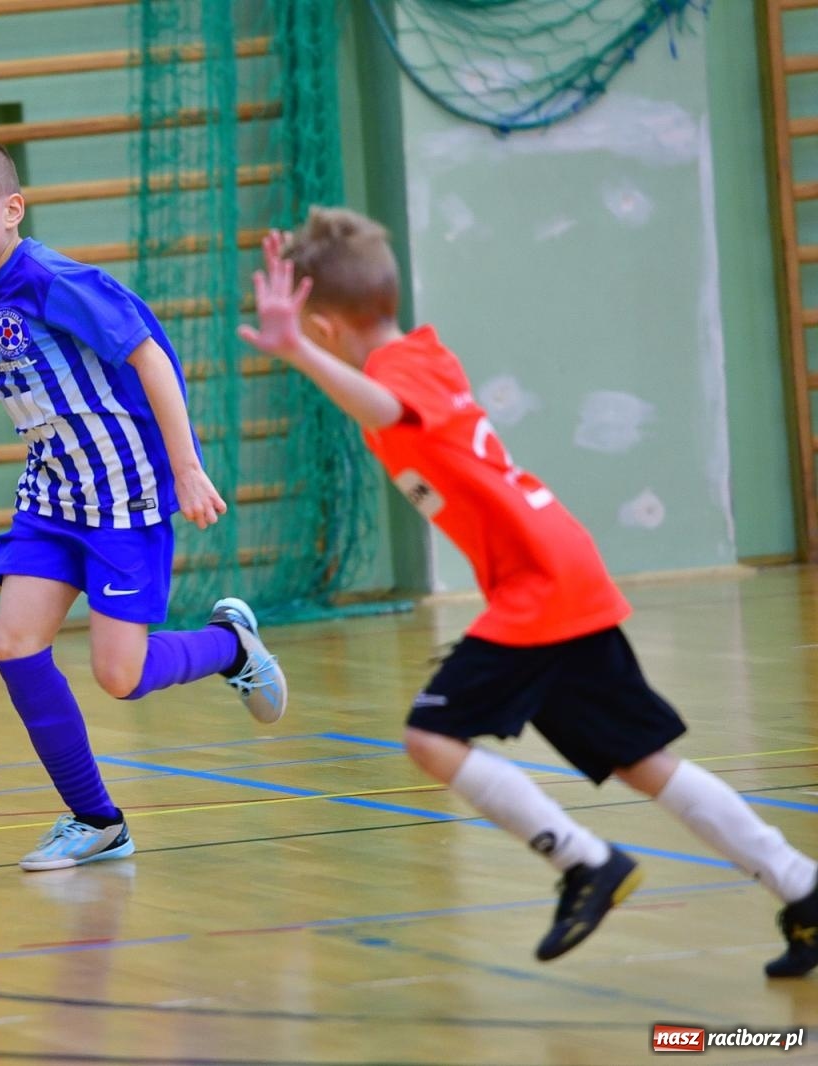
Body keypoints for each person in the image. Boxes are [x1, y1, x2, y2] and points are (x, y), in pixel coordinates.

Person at [235, 205, 818, 976]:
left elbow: (384, 408)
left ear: (323, 328)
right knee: (644, 762)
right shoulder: (423, 351)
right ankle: (803, 886)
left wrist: (297, 355)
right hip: (557, 572)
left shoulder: (397, 373)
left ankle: (584, 862)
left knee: (429, 736)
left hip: (540, 586)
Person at [0, 138, 287, 872]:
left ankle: (231, 646)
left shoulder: (54, 281)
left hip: (124, 494)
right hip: (51, 498)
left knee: (119, 676)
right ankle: (96, 819)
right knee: (12, 646)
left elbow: (150, 356)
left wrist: (186, 467)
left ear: (11, 210)